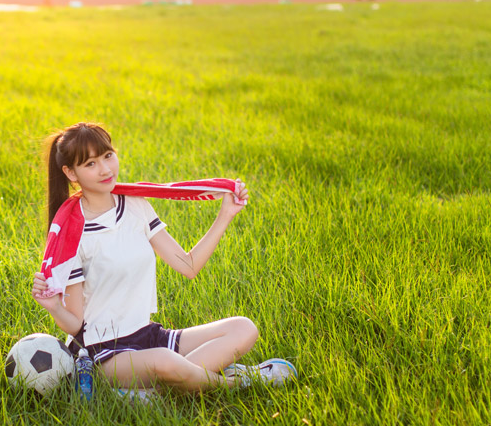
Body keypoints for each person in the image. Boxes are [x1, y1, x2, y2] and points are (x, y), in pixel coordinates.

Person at [31, 122, 296, 394]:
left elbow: (188, 266)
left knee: (243, 328)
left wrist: (225, 214)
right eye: (90, 164)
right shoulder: (72, 233)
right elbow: (77, 325)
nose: (105, 169)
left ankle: (157, 389)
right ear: (70, 172)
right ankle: (241, 382)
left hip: (148, 336)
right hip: (104, 352)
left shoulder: (135, 206)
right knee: (166, 361)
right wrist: (53, 306)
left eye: (108, 155)